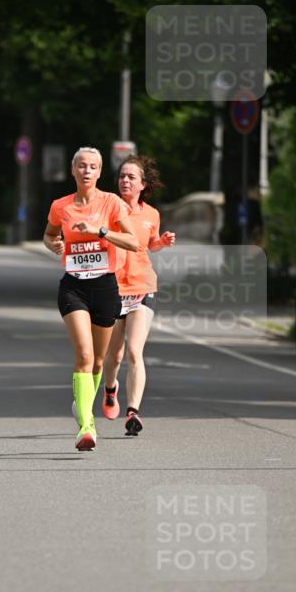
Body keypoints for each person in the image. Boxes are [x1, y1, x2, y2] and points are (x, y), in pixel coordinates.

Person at [43, 147, 138, 451]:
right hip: (74, 287)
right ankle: (86, 425)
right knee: (84, 356)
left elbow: (133, 242)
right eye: (81, 166)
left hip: (105, 287)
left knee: (98, 361)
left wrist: (101, 231)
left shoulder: (111, 203)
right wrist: (53, 245)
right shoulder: (61, 206)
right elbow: (49, 234)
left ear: (99, 173)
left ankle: (84, 406)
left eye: (93, 167)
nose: (86, 171)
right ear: (73, 170)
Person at [102, 155, 176, 436]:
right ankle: (111, 390)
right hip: (112, 288)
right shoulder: (109, 208)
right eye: (122, 176)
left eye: (132, 177)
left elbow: (148, 246)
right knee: (114, 355)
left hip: (142, 287)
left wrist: (161, 242)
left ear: (143, 184)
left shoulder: (152, 214)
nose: (125, 181)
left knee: (135, 351)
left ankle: (133, 411)